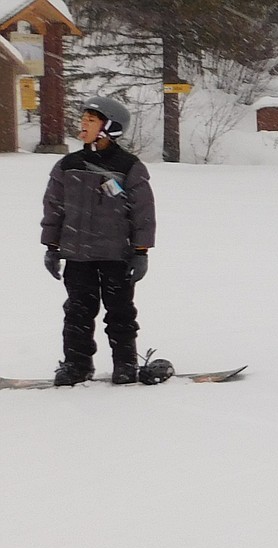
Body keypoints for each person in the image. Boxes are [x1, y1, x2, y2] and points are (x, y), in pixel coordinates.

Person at [41, 95, 155, 386]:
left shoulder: (129, 166)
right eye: (83, 119)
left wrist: (140, 251)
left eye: (91, 120)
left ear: (110, 128)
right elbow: (54, 209)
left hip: (116, 256)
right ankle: (76, 366)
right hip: (77, 257)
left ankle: (125, 364)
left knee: (120, 312)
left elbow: (143, 213)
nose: (84, 125)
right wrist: (51, 248)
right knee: (77, 313)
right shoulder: (68, 165)